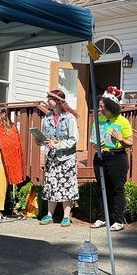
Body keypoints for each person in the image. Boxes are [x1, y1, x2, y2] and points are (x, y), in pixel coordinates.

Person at [91, 86, 133, 232]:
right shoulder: (99, 120)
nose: (100, 109)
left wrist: (120, 139)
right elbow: (93, 141)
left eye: (102, 107)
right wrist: (97, 146)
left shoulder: (122, 121)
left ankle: (118, 220)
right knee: (101, 187)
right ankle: (102, 218)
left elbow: (130, 142)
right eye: (99, 106)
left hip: (117, 158)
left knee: (117, 189)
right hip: (101, 157)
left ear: (111, 106)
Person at [39, 89, 79, 227]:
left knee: (66, 186)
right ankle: (49, 215)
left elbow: (73, 139)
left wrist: (58, 145)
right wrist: (40, 140)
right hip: (52, 157)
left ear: (57, 101)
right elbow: (45, 136)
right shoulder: (47, 117)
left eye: (49, 98)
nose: (47, 100)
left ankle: (66, 216)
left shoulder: (69, 118)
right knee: (51, 185)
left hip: (66, 158)